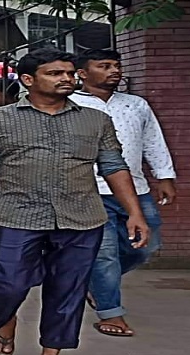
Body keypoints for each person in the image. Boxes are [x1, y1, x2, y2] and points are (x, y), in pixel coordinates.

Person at [0, 48, 149, 355]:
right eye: (55, 73)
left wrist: (135, 212)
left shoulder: (95, 120)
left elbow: (114, 167)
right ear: (28, 80)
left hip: (82, 217)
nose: (66, 79)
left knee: (69, 289)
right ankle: (4, 320)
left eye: (70, 74)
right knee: (8, 284)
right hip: (18, 215)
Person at [71, 49, 176, 337]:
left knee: (146, 247)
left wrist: (165, 175)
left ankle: (95, 284)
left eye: (116, 65)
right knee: (104, 255)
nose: (114, 71)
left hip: (135, 189)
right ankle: (110, 313)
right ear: (82, 73)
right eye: (104, 66)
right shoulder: (70, 104)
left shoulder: (136, 104)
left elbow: (153, 140)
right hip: (88, 190)